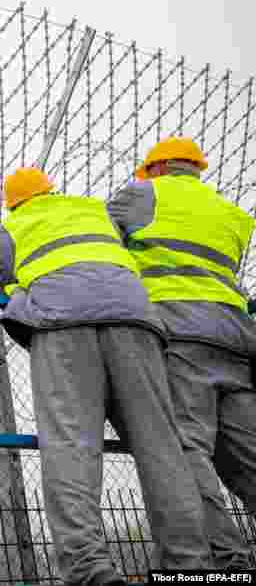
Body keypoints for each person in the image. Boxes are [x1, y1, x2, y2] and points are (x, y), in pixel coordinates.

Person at [0, 167, 210, 586]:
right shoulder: (96, 211)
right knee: (161, 447)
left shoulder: (10, 229)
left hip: (62, 325)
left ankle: (90, 571)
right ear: (51, 191)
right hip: (135, 320)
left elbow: (5, 286)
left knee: (71, 445)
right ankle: (188, 569)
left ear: (13, 202)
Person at [107, 136, 256, 571]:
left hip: (179, 334)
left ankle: (227, 563)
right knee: (247, 454)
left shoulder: (142, 194)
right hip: (234, 336)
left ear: (156, 169)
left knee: (183, 450)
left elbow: (100, 245)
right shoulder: (232, 215)